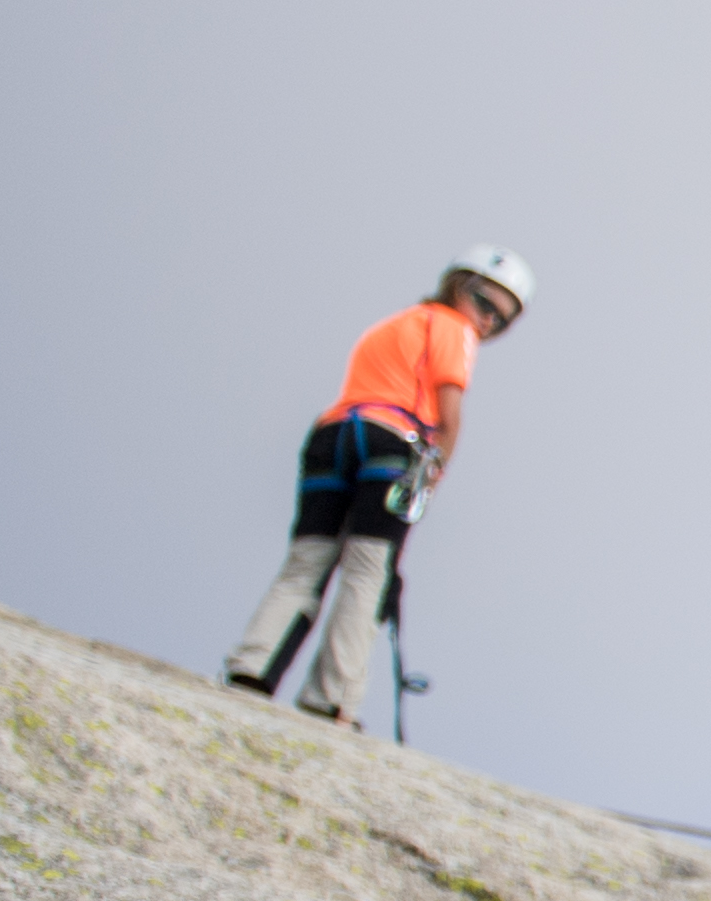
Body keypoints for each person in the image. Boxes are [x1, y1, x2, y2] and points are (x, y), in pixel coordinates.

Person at [222, 250, 532, 729]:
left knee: (308, 559)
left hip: (333, 435)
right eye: (484, 302)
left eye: (501, 318)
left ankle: (251, 668)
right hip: (394, 443)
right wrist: (431, 479)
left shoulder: (396, 324)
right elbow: (449, 418)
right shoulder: (453, 330)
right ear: (458, 285)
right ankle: (332, 698)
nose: (488, 319)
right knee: (369, 569)